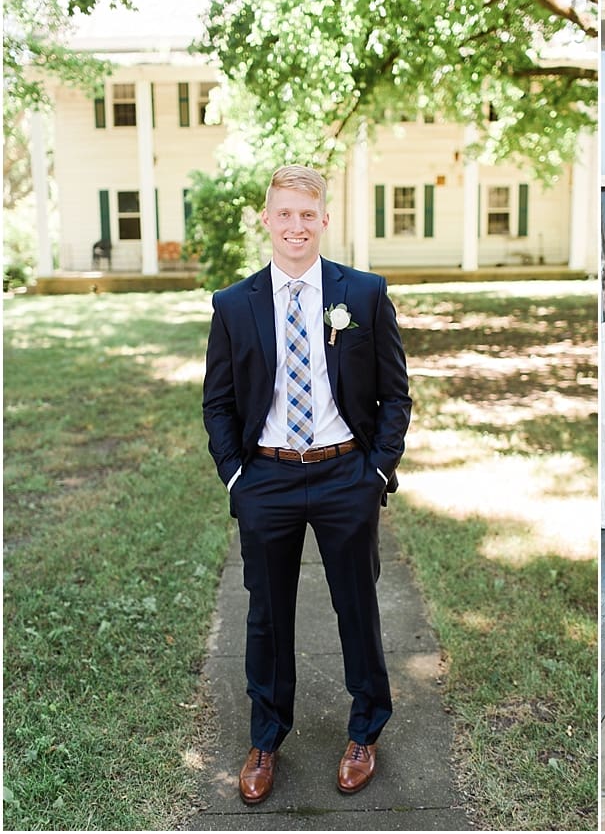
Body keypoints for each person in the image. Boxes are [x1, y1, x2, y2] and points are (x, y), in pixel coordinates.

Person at [202, 164, 412, 804]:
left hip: (345, 471)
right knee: (266, 616)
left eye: (307, 214)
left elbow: (396, 392)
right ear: (266, 220)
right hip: (265, 475)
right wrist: (236, 476)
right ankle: (265, 738)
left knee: (357, 607)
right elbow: (217, 401)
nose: (296, 226)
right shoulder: (234, 305)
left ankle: (365, 729)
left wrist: (375, 470)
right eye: (284, 214)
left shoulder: (364, 295)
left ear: (324, 220)